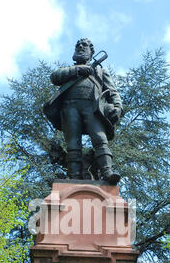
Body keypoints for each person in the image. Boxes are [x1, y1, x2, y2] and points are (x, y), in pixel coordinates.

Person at [43, 38, 123, 184]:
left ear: (92, 51)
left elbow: (112, 91)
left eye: (84, 45)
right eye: (77, 45)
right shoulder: (69, 71)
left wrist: (117, 107)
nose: (80, 47)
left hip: (93, 109)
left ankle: (107, 172)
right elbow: (54, 77)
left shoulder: (100, 71)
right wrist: (78, 70)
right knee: (73, 143)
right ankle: (74, 177)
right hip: (69, 108)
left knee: (100, 138)